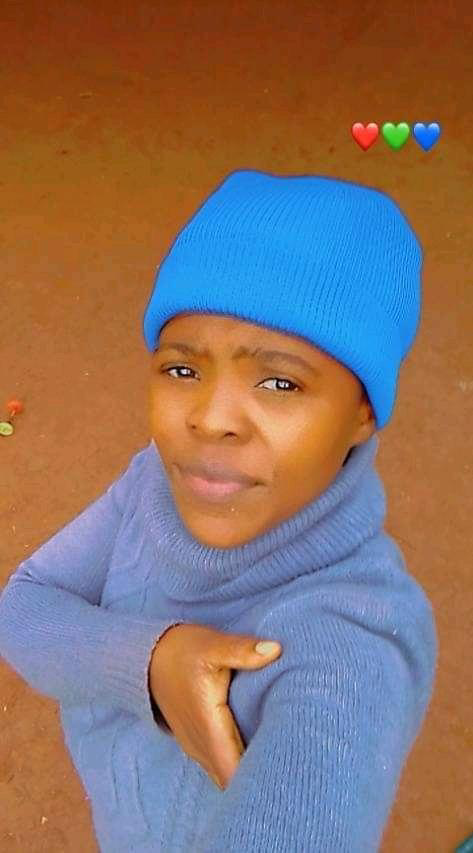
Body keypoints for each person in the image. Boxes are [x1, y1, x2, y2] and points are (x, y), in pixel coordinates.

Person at [0, 169, 438, 852]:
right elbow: (23, 608)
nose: (210, 419)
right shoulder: (151, 483)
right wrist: (153, 664)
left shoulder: (350, 645)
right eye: (182, 370)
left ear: (362, 413)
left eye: (279, 382)